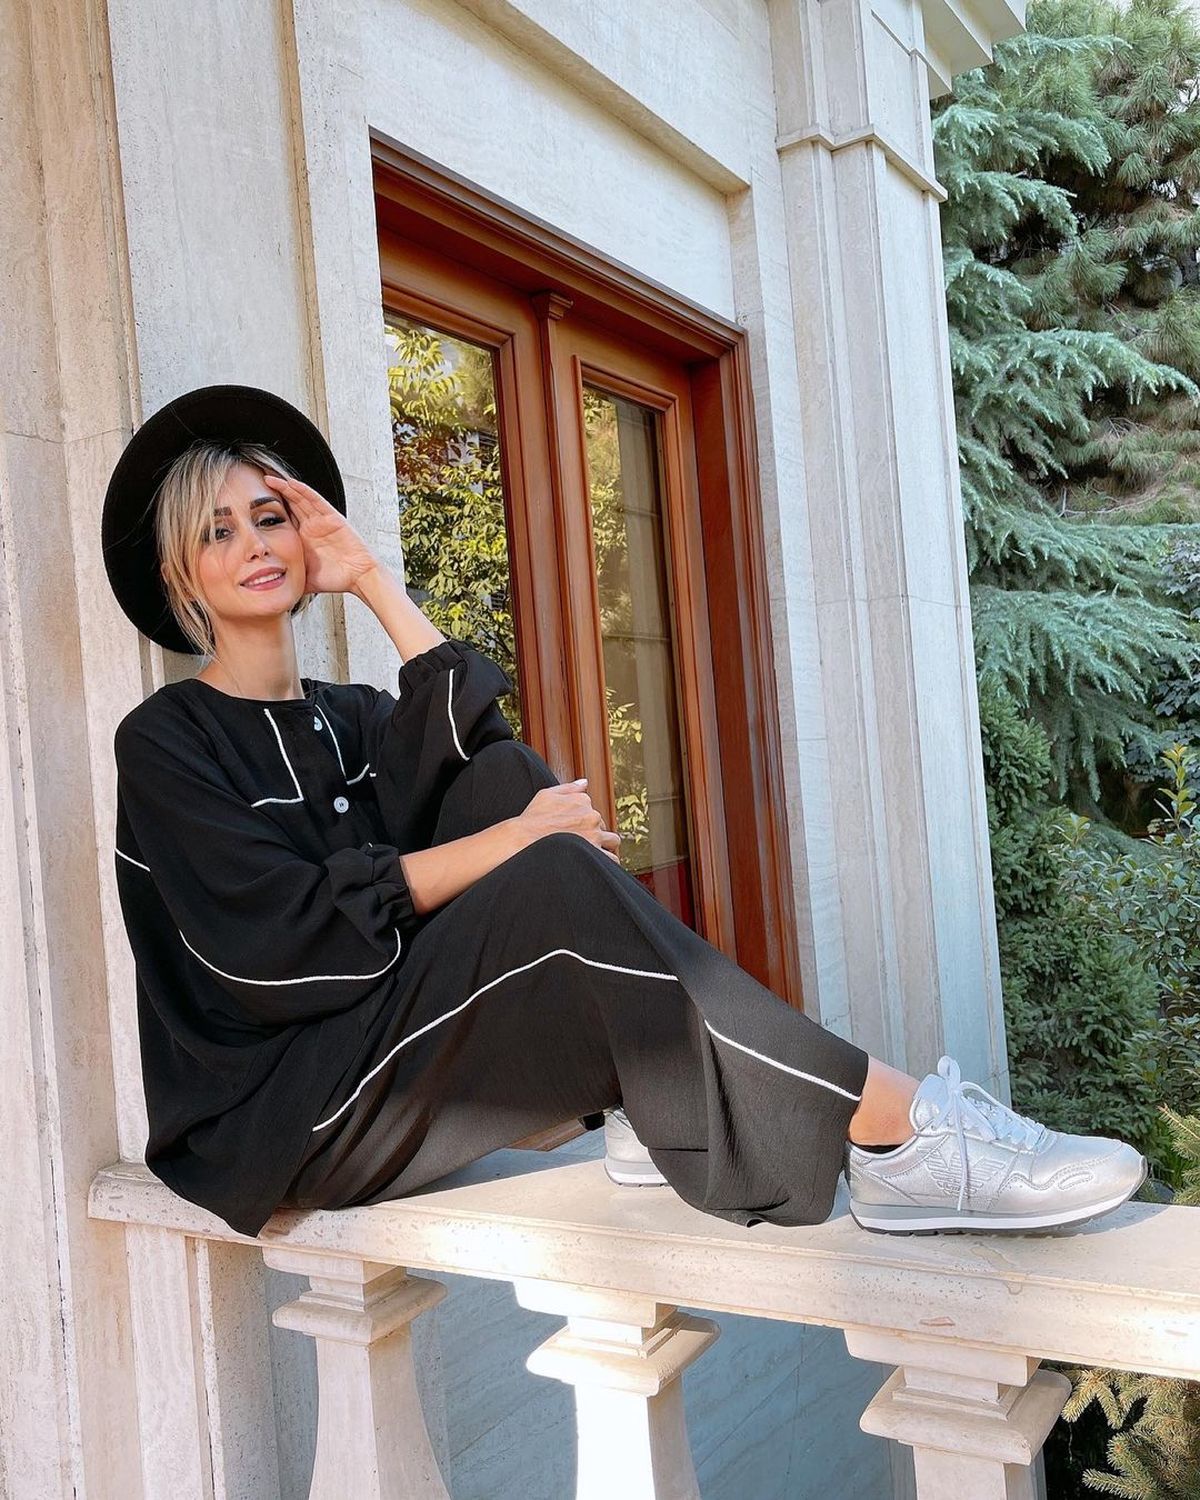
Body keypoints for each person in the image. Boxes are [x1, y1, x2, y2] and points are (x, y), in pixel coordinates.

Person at [101, 384, 1148, 1241]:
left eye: (269, 516)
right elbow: (271, 946)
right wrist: (519, 842)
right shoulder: (165, 740)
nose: (255, 544)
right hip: (285, 1112)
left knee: (504, 779)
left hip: (388, 1046)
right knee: (540, 851)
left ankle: (655, 1092)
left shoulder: (354, 716)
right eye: (217, 530)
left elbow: (474, 749)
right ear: (178, 569)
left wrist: (373, 579)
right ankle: (894, 1130)